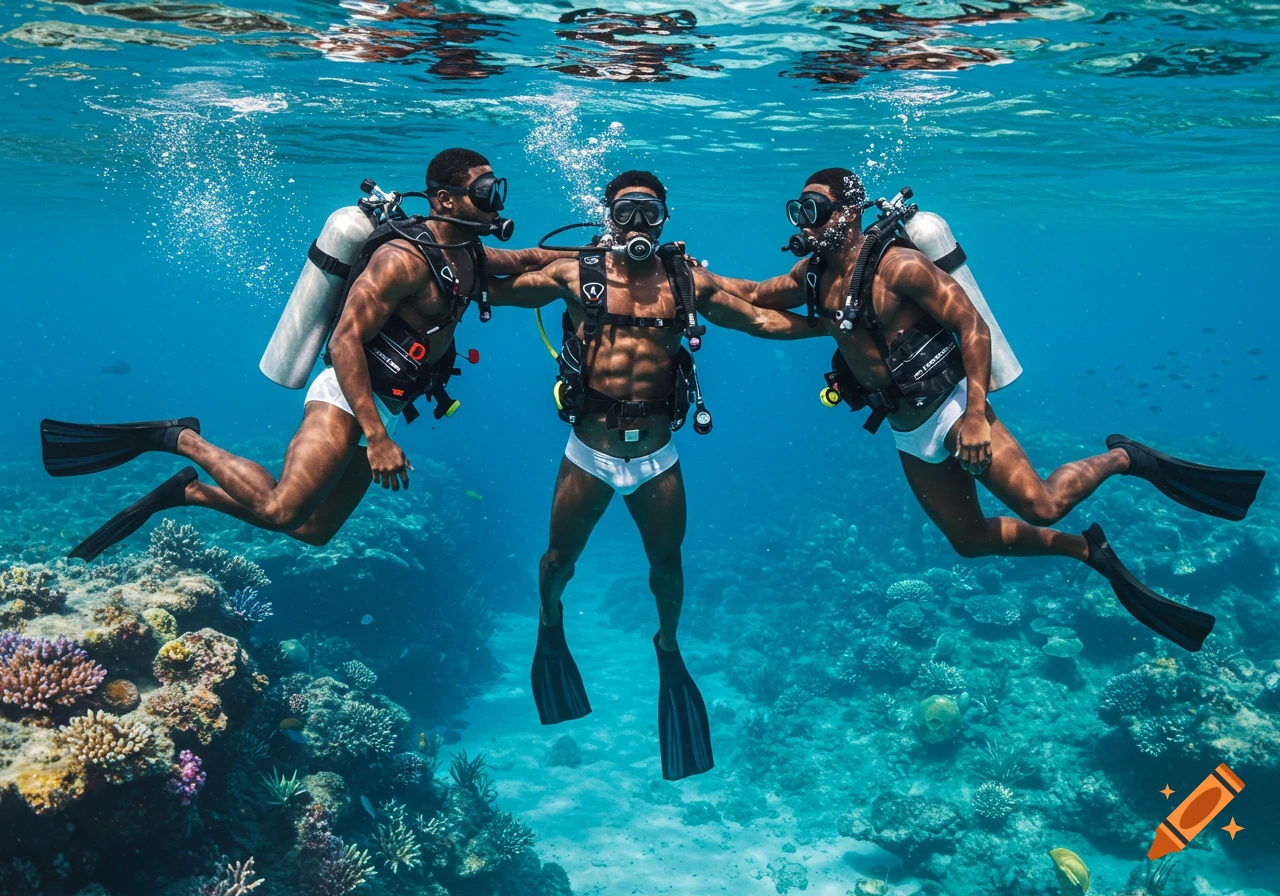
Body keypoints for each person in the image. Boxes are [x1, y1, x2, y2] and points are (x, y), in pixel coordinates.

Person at [700, 167, 1265, 653]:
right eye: (800, 210)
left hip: (950, 407)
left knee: (1042, 505)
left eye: (816, 209)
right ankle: (1088, 550)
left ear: (849, 211)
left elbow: (971, 324)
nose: (805, 222)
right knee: (968, 542)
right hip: (905, 424)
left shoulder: (899, 266)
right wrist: (693, 281)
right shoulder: (815, 275)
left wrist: (974, 413)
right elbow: (753, 292)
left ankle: (1123, 457)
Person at [42, 148, 563, 559]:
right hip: (347, 396)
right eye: (485, 191)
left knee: (314, 531)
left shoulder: (468, 252)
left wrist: (607, 258)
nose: (496, 201)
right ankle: (180, 438)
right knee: (280, 507)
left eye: (497, 189)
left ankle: (189, 494)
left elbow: (532, 258)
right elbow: (343, 342)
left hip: (389, 405)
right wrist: (376, 437)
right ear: (445, 200)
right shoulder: (400, 260)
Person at [488, 170, 818, 778]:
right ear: (608, 216)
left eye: (649, 214)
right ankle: (550, 623)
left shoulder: (686, 283)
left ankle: (667, 644)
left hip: (657, 455)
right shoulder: (575, 273)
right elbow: (496, 285)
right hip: (588, 450)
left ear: (665, 218)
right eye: (626, 213)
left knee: (667, 565)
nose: (638, 225)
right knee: (558, 559)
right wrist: (429, 252)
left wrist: (845, 318)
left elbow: (762, 311)